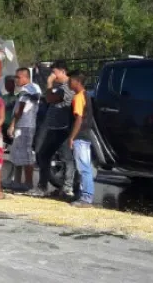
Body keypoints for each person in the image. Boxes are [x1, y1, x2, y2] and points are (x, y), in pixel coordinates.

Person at [27, 60, 76, 199]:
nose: (53, 75)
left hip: (62, 129)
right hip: (54, 127)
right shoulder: (61, 86)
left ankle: (67, 187)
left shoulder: (67, 87)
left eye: (54, 72)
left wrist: (49, 83)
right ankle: (43, 185)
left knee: (66, 158)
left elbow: (49, 98)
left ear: (63, 71)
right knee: (44, 154)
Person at [7, 68, 42, 191]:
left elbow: (20, 110)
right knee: (17, 153)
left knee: (26, 155)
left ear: (26, 77)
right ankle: (17, 181)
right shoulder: (24, 90)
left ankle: (28, 183)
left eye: (18, 77)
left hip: (26, 125)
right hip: (21, 125)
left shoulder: (30, 88)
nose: (16, 80)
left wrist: (12, 125)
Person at [67, 70, 94, 208]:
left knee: (83, 167)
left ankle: (86, 198)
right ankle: (84, 195)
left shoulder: (78, 97)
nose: (68, 82)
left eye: (70, 80)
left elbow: (79, 118)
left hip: (80, 136)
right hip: (85, 135)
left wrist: (72, 137)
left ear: (77, 81)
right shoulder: (86, 95)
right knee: (85, 166)